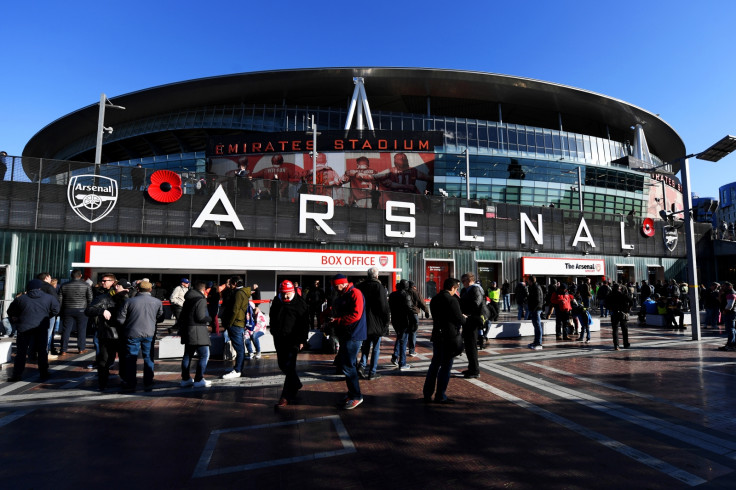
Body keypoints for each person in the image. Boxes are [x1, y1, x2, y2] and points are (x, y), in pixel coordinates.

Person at [6, 279, 60, 382]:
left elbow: (10, 311)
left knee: (21, 352)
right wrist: (47, 316)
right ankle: (43, 372)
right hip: (41, 327)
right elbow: (56, 310)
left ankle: (17, 374)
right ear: (40, 287)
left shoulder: (21, 299)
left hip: (24, 327)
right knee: (42, 350)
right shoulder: (49, 298)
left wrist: (17, 317)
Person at [423, 277, 465, 404]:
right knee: (446, 365)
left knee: (435, 364)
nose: (456, 291)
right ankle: (440, 395)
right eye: (456, 289)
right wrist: (464, 318)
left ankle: (427, 393)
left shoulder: (435, 299)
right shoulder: (452, 300)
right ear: (452, 288)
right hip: (449, 336)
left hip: (437, 335)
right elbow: (459, 319)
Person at [85, 279, 133, 390]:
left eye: (128, 289)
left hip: (123, 334)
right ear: (117, 286)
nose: (127, 291)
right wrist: (101, 311)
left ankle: (124, 380)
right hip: (108, 334)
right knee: (104, 361)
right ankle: (102, 383)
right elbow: (88, 310)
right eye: (125, 288)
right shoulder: (104, 298)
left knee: (125, 360)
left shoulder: (129, 299)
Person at [328, 274, 366, 410]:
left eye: (335, 285)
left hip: (353, 334)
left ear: (342, 283)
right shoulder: (346, 294)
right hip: (348, 333)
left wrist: (337, 321)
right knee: (348, 364)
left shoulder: (354, 293)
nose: (334, 288)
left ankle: (356, 396)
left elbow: (356, 314)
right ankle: (352, 394)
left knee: (348, 365)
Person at [117, 280, 164, 391]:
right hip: (149, 332)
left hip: (132, 332)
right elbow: (161, 318)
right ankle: (148, 380)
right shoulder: (157, 302)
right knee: (148, 357)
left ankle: (131, 382)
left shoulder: (129, 301)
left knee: (131, 358)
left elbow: (120, 319)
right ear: (150, 289)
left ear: (138, 289)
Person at [270, 280, 309, 407]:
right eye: (283, 294)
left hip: (294, 339)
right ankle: (296, 383)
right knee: (282, 365)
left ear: (292, 291)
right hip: (279, 338)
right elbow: (272, 316)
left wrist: (303, 339)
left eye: (287, 294)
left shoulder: (300, 304)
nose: (285, 296)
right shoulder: (277, 301)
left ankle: (285, 396)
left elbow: (305, 324)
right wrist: (273, 331)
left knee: (290, 365)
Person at [356, 268, 390, 380]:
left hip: (363, 320)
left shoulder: (361, 286)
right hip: (376, 321)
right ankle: (372, 371)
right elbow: (384, 307)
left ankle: (362, 366)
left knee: (365, 345)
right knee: (376, 347)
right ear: (376, 276)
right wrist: (386, 322)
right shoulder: (379, 287)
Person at [178, 281, 213, 388]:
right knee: (204, 355)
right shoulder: (201, 300)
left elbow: (182, 315)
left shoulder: (188, 299)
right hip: (198, 332)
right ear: (203, 290)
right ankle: (198, 379)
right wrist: (210, 318)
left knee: (187, 355)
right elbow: (200, 317)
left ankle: (185, 379)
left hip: (188, 330)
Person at [57, 270, 94, 355]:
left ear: (71, 275)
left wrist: (61, 310)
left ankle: (63, 349)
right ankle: (81, 348)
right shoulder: (86, 285)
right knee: (81, 330)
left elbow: (60, 300)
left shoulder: (64, 285)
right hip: (82, 309)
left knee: (66, 330)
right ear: (80, 275)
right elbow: (90, 299)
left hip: (67, 309)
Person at [221, 278, 251, 379]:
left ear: (235, 283)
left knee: (239, 348)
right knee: (240, 348)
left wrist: (230, 323)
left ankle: (237, 370)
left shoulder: (238, 293)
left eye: (231, 283)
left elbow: (235, 309)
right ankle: (238, 369)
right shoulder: (244, 292)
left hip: (236, 324)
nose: (230, 285)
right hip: (239, 323)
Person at [460, 273, 486, 378]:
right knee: (468, 345)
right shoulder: (467, 290)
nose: (463, 283)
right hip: (468, 320)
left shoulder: (475, 289)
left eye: (464, 281)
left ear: (470, 280)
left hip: (472, 319)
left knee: (471, 345)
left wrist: (467, 314)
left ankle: (475, 370)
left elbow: (476, 303)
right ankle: (471, 368)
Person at [389, 280, 414, 371]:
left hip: (395, 320)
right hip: (404, 321)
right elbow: (409, 309)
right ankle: (402, 363)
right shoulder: (405, 295)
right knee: (403, 341)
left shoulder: (392, 295)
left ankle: (395, 356)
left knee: (400, 338)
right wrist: (413, 321)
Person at [607, 283, 633, 350]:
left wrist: (611, 308)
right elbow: (631, 301)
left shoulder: (610, 295)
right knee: (624, 329)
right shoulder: (622, 295)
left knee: (615, 329)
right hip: (622, 313)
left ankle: (616, 345)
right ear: (619, 288)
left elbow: (605, 304)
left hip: (614, 313)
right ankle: (626, 343)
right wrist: (628, 308)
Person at [407, 280, 429, 357]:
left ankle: (402, 349)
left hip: (405, 315)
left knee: (405, 333)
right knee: (413, 332)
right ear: (414, 286)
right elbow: (422, 303)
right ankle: (411, 351)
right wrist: (426, 312)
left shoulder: (405, 292)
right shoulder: (416, 293)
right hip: (414, 314)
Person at [527, 276, 544, 349]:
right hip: (534, 309)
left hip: (536, 309)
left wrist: (533, 309)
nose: (528, 282)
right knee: (536, 326)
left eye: (528, 281)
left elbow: (537, 300)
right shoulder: (533, 287)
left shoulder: (536, 288)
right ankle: (536, 341)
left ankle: (539, 343)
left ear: (531, 281)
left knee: (537, 326)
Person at [717, 282, 736, 351]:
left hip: (729, 313)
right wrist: (720, 294)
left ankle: (731, 344)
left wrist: (725, 310)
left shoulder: (731, 293)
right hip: (728, 312)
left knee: (730, 329)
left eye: (724, 287)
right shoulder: (727, 293)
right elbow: (721, 301)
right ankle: (731, 344)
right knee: (731, 329)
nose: (722, 288)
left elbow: (730, 305)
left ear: (730, 287)